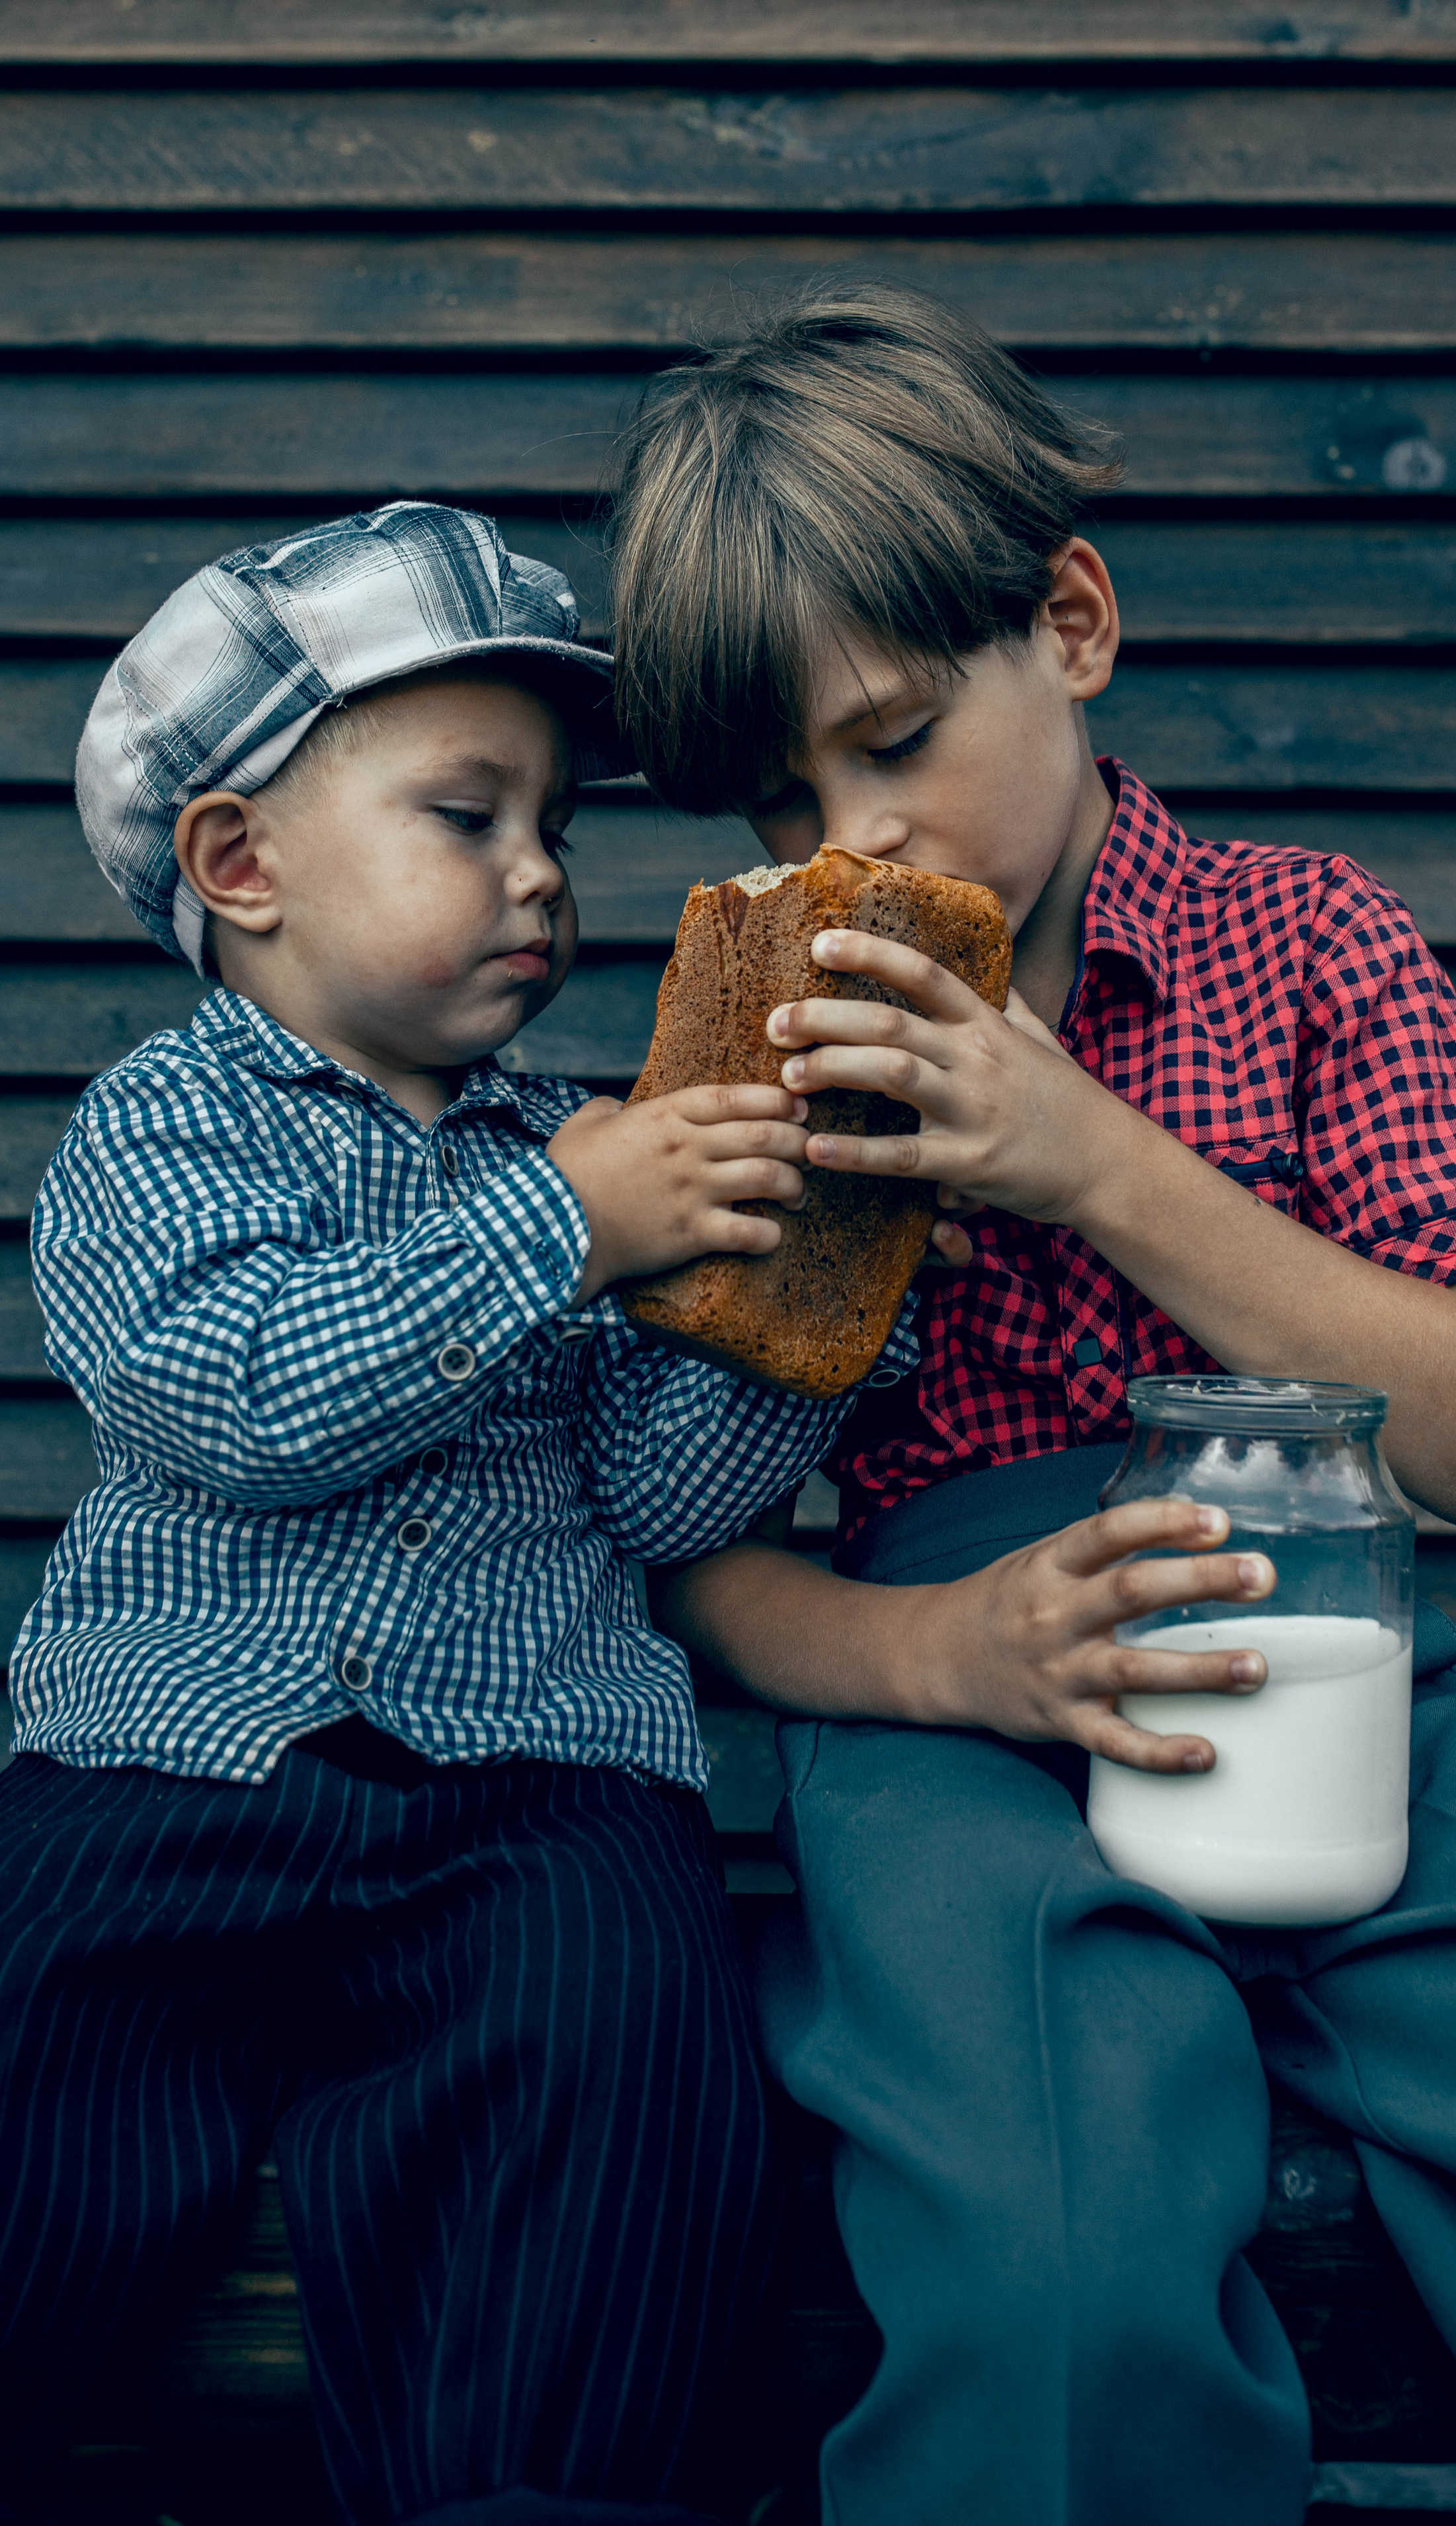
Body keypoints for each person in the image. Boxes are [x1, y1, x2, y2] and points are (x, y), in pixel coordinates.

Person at [607, 290, 1456, 2526]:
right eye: (787, 796)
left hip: (1350, 1661)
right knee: (1054, 2258)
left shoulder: (1313, 943)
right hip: (949, 1713)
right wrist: (940, 1649)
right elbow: (692, 1556)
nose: (851, 836)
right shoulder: (753, 1061)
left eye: (895, 740)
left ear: (1074, 624)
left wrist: (1079, 1148)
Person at [0, 503, 918, 2526]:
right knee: (24, 2018)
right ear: (240, 867)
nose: (539, 875)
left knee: (621, 2050)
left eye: (557, 830)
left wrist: (808, 1281)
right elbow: (229, 1392)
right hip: (165, 1755)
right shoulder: (161, 1127)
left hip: (541, 1780)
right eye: (467, 816)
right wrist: (569, 1228)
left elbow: (649, 1494)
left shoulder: (589, 1140)